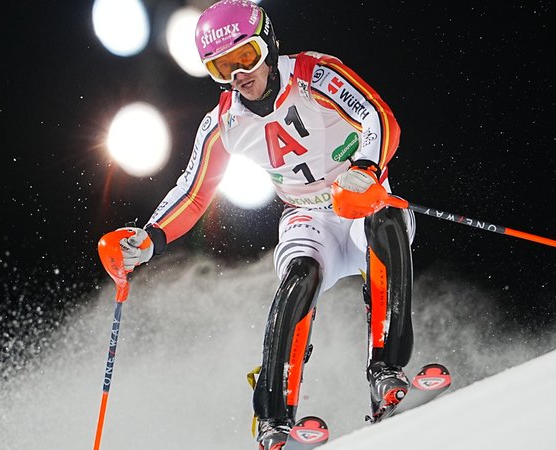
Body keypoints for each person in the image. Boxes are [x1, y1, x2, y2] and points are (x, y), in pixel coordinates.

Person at [115, 1, 415, 448]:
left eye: (246, 57)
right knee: (300, 277)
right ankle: (275, 417)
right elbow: (194, 192)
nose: (239, 75)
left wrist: (367, 169)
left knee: (386, 221)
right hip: (305, 214)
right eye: (222, 67)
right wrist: (150, 236)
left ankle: (386, 369)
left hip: (359, 197)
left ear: (269, 45)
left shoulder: (316, 75)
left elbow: (378, 116)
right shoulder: (224, 123)